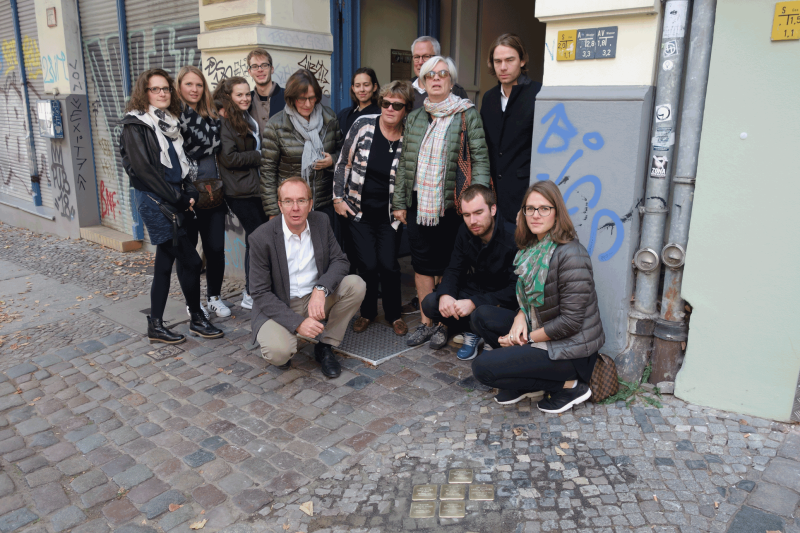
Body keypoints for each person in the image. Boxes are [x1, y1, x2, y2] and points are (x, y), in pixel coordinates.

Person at [470, 181, 605, 413]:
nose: (535, 215)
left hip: (570, 351)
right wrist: (520, 317)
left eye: (544, 208)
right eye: (529, 208)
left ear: (557, 213)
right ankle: (526, 381)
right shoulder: (532, 248)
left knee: (483, 368)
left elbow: (571, 322)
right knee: (481, 316)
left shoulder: (572, 254)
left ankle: (570, 386)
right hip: (542, 329)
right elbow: (529, 297)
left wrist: (526, 339)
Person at [392, 56, 490, 349]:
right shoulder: (415, 118)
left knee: (451, 265)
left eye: (442, 74)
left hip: (452, 206)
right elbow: (404, 166)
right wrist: (399, 202)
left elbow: (480, 159)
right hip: (418, 204)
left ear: (451, 81)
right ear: (422, 83)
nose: (436, 79)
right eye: (429, 75)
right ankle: (426, 321)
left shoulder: (467, 115)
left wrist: (477, 202)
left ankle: (445, 324)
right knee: (421, 264)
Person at [120, 68, 223, 343]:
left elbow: (184, 163)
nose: (162, 93)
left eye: (165, 88)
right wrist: (179, 197)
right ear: (145, 93)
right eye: (156, 89)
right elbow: (144, 172)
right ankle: (196, 318)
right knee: (189, 259)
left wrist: (189, 190)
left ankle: (161, 323)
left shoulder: (170, 122)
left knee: (165, 265)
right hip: (156, 203)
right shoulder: (136, 125)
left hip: (177, 200)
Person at [248, 177, 366, 378]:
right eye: (288, 201)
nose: (295, 208)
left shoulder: (320, 221)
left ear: (310, 204)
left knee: (356, 284)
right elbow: (259, 292)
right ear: (280, 205)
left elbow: (340, 260)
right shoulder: (261, 238)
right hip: (281, 304)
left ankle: (325, 345)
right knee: (279, 354)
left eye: (301, 200)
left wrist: (321, 289)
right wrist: (297, 323)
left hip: (315, 299)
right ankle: (288, 337)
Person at [332, 80, 414, 337]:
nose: (389, 109)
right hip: (358, 211)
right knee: (366, 265)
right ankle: (366, 312)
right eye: (386, 103)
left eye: (397, 105)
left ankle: (393, 315)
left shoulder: (409, 136)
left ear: (406, 109)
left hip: (390, 215)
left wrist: (405, 207)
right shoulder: (363, 124)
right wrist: (337, 198)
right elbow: (344, 162)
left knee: (389, 265)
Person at [419, 185, 518, 360]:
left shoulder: (513, 237)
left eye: (478, 212)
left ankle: (489, 335)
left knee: (483, 314)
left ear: (493, 209)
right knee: (430, 303)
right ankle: (472, 331)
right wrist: (446, 295)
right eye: (467, 215)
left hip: (501, 301)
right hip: (475, 289)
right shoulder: (465, 231)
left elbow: (515, 290)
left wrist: (474, 302)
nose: (472, 221)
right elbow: (454, 267)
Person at [175, 65, 231, 319]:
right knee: (188, 254)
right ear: (179, 87)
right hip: (187, 195)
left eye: (199, 84)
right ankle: (192, 303)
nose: (194, 89)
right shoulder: (174, 119)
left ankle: (214, 297)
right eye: (189, 84)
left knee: (215, 249)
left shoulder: (212, 116)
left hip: (214, 193)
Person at [261, 69, 343, 237]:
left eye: (312, 98)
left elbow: (344, 154)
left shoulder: (329, 118)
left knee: (322, 256)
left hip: (323, 202)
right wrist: (273, 211)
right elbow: (267, 172)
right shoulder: (276, 125)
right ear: (291, 98)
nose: (308, 104)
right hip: (292, 206)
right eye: (302, 99)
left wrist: (332, 160)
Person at [214, 76, 267, 310]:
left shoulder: (243, 116)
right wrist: (259, 156)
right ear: (229, 97)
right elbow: (229, 158)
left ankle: (255, 289)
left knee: (257, 238)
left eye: (248, 94)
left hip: (252, 187)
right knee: (257, 238)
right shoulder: (225, 121)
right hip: (239, 191)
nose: (245, 98)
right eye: (239, 94)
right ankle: (250, 292)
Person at [481, 34, 543, 225]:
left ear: (522, 61)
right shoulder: (489, 98)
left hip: (524, 193)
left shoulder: (539, 94)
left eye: (510, 60)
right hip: (493, 194)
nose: (503, 67)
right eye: (497, 61)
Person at [410, 36, 469, 110]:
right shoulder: (405, 89)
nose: (420, 62)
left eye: (426, 56)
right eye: (416, 57)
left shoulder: (456, 90)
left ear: (437, 58)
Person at [246, 48, 285, 134]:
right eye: (255, 66)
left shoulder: (287, 97)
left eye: (264, 65)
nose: (260, 70)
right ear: (250, 72)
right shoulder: (246, 101)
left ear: (272, 69)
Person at [336, 67, 381, 137]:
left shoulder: (381, 114)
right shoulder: (344, 115)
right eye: (357, 86)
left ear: (374, 87)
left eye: (366, 85)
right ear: (353, 89)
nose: (362, 89)